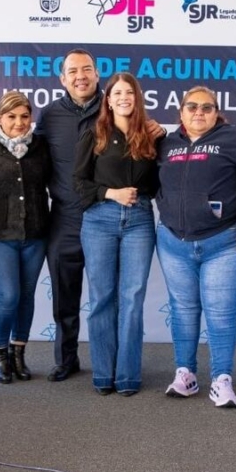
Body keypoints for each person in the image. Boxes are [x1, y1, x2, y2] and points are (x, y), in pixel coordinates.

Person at [156, 86, 236, 408]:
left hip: (225, 242)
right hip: (174, 243)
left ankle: (221, 379)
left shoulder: (234, 139)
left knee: (220, 313)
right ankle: (186, 375)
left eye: (207, 107)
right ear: (180, 111)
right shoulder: (166, 143)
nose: (199, 112)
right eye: (192, 106)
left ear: (217, 111)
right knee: (183, 310)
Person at [73, 72, 161, 396]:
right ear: (107, 99)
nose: (124, 97)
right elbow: (79, 182)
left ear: (137, 99)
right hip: (99, 220)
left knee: (133, 299)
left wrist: (163, 136)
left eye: (130, 93)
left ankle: (127, 376)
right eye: (117, 93)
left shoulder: (151, 136)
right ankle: (103, 375)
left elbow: (156, 183)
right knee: (101, 299)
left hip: (139, 221)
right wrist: (111, 193)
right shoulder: (93, 133)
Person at [0, 91, 51, 384]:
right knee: (8, 295)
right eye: (11, 116)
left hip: (36, 234)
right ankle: (0, 354)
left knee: (26, 296)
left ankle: (19, 353)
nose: (18, 123)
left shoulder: (41, 147)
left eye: (24, 116)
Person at [35, 49, 101, 382]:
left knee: (108, 298)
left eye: (86, 69)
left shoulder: (114, 108)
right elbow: (29, 153)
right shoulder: (49, 115)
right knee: (65, 296)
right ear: (62, 79)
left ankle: (109, 361)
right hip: (64, 218)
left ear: (97, 74)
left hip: (106, 217)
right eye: (73, 71)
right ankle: (67, 358)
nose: (80, 76)